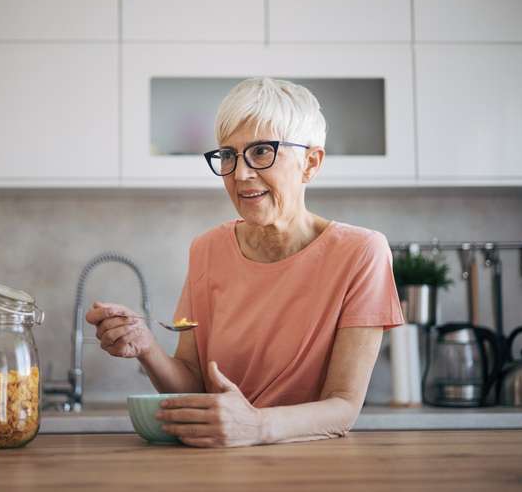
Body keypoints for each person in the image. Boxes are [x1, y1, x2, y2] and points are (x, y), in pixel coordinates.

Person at [86, 77, 404, 447]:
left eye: (261, 152)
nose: (240, 174)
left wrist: (255, 426)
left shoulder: (361, 252)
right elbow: (193, 383)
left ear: (311, 163)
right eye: (228, 154)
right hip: (217, 468)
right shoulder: (207, 249)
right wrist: (147, 348)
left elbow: (343, 407)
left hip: (314, 467)